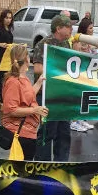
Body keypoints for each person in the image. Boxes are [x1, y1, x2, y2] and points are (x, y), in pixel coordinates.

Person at [30, 15, 78, 161]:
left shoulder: (66, 44)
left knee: (64, 132)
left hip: (63, 95)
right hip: (47, 94)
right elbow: (38, 69)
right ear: (58, 28)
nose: (71, 29)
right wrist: (59, 70)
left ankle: (61, 163)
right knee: (47, 131)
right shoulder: (43, 44)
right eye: (68, 26)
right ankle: (42, 164)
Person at [0, 45, 48, 159]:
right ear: (26, 59)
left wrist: (38, 83)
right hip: (20, 133)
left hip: (28, 132)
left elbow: (28, 96)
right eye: (28, 55)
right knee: (22, 169)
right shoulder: (13, 81)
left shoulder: (24, 78)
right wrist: (35, 110)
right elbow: (11, 110)